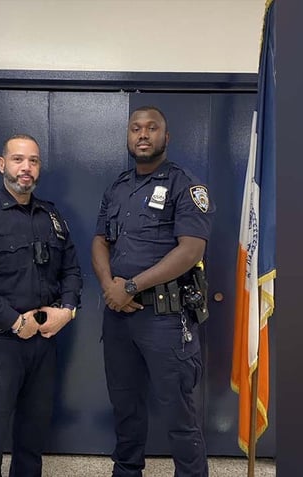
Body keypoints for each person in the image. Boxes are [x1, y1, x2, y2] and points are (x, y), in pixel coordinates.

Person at [92, 106, 215, 477]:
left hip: (165, 319)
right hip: (119, 319)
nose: (143, 134)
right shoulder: (117, 187)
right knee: (125, 407)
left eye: (152, 128)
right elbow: (100, 240)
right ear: (129, 137)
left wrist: (129, 286)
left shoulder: (186, 186)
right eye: (135, 129)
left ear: (166, 137)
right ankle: (126, 471)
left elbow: (191, 250)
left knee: (179, 414)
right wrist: (109, 288)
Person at [0, 134, 82, 477]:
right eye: (18, 160)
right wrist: (13, 321)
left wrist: (67, 310)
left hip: (44, 342)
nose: (26, 168)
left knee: (32, 436)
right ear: (2, 164)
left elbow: (71, 270)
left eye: (33, 161)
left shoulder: (52, 217)